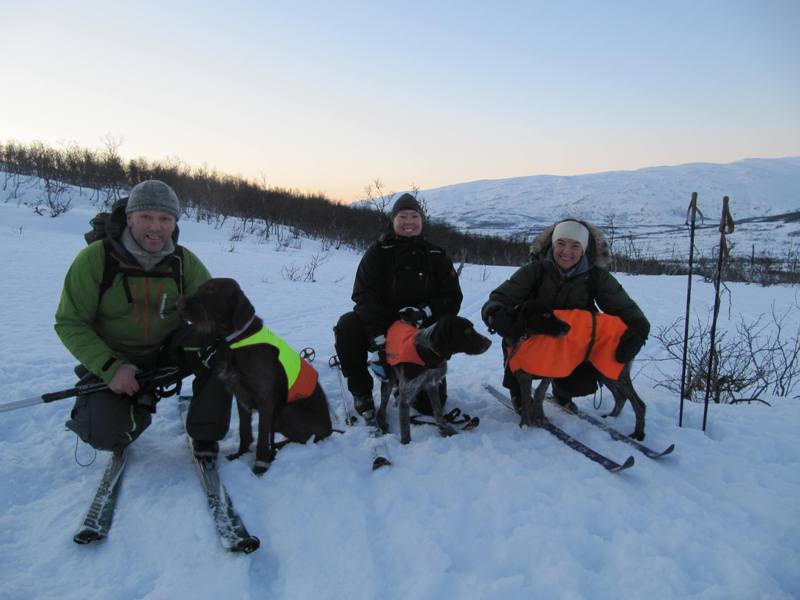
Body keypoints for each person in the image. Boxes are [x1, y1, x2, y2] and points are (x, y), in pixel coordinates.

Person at [54, 180, 231, 457]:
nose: (155, 227)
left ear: (174, 223)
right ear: (130, 219)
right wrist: (111, 368)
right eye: (146, 216)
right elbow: (70, 322)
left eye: (165, 218)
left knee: (224, 343)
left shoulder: (183, 262)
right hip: (116, 358)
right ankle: (131, 407)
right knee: (103, 433)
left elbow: (219, 309)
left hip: (167, 356)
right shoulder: (94, 260)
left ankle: (206, 432)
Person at [481, 218, 650, 411]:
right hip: (534, 339)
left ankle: (563, 392)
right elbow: (499, 298)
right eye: (560, 243)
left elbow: (629, 312)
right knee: (520, 365)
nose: (566, 252)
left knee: (582, 384)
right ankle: (519, 392)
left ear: (584, 249)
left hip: (572, 344)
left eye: (575, 245)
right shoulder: (536, 270)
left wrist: (638, 331)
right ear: (553, 244)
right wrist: (495, 313)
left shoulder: (595, 276)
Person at [334, 193, 463, 416]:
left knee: (430, 407)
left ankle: (404, 382)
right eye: (402, 216)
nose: (409, 222)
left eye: (414, 216)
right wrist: (378, 339)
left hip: (420, 330)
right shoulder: (377, 253)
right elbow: (364, 297)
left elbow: (453, 298)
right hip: (383, 324)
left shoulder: (436, 255)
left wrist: (425, 311)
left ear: (422, 221)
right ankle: (361, 392)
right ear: (393, 221)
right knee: (348, 325)